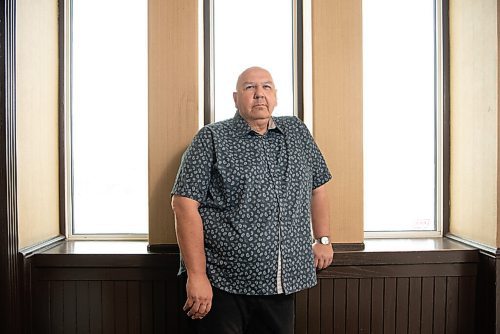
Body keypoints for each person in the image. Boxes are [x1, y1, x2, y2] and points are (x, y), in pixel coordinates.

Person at [171, 66, 333, 334]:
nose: (259, 94)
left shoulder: (297, 132)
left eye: (266, 87)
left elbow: (318, 187)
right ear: (236, 98)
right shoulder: (212, 138)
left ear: (276, 96)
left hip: (281, 282)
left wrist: (323, 239)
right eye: (250, 88)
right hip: (223, 283)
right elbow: (184, 204)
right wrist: (197, 276)